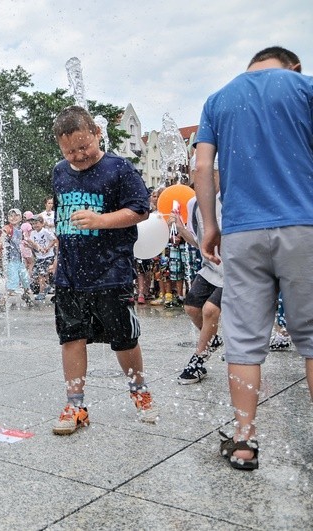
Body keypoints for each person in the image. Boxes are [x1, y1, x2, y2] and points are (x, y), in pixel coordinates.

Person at [194, 46, 313, 470]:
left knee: (243, 339)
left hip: (242, 231)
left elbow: (202, 167)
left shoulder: (219, 98)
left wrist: (210, 224)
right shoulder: (306, 87)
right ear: (292, 66)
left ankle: (244, 442)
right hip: (304, 224)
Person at [48, 106, 157, 435]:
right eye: (70, 151)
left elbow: (141, 210)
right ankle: (76, 404)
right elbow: (62, 219)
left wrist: (102, 221)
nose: (79, 155)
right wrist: (59, 255)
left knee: (124, 340)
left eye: (84, 146)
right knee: (71, 338)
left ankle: (140, 392)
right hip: (70, 272)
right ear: (60, 147)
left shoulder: (119, 168)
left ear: (97, 132)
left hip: (111, 271)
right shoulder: (59, 172)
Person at [172, 158, 224, 385]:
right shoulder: (194, 204)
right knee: (193, 307)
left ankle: (198, 359)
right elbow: (199, 242)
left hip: (237, 269)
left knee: (210, 310)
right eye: (197, 176)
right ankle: (211, 340)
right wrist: (181, 230)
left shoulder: (233, 199)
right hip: (212, 268)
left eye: (208, 174)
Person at [29, 215, 57, 300]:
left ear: (42, 223)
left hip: (48, 256)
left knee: (42, 273)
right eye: (33, 224)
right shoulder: (32, 233)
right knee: (37, 274)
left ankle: (42, 292)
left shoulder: (46, 232)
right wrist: (33, 248)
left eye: (37, 223)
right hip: (39, 256)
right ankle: (47, 286)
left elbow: (54, 239)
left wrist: (48, 247)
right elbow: (32, 244)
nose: (35, 225)